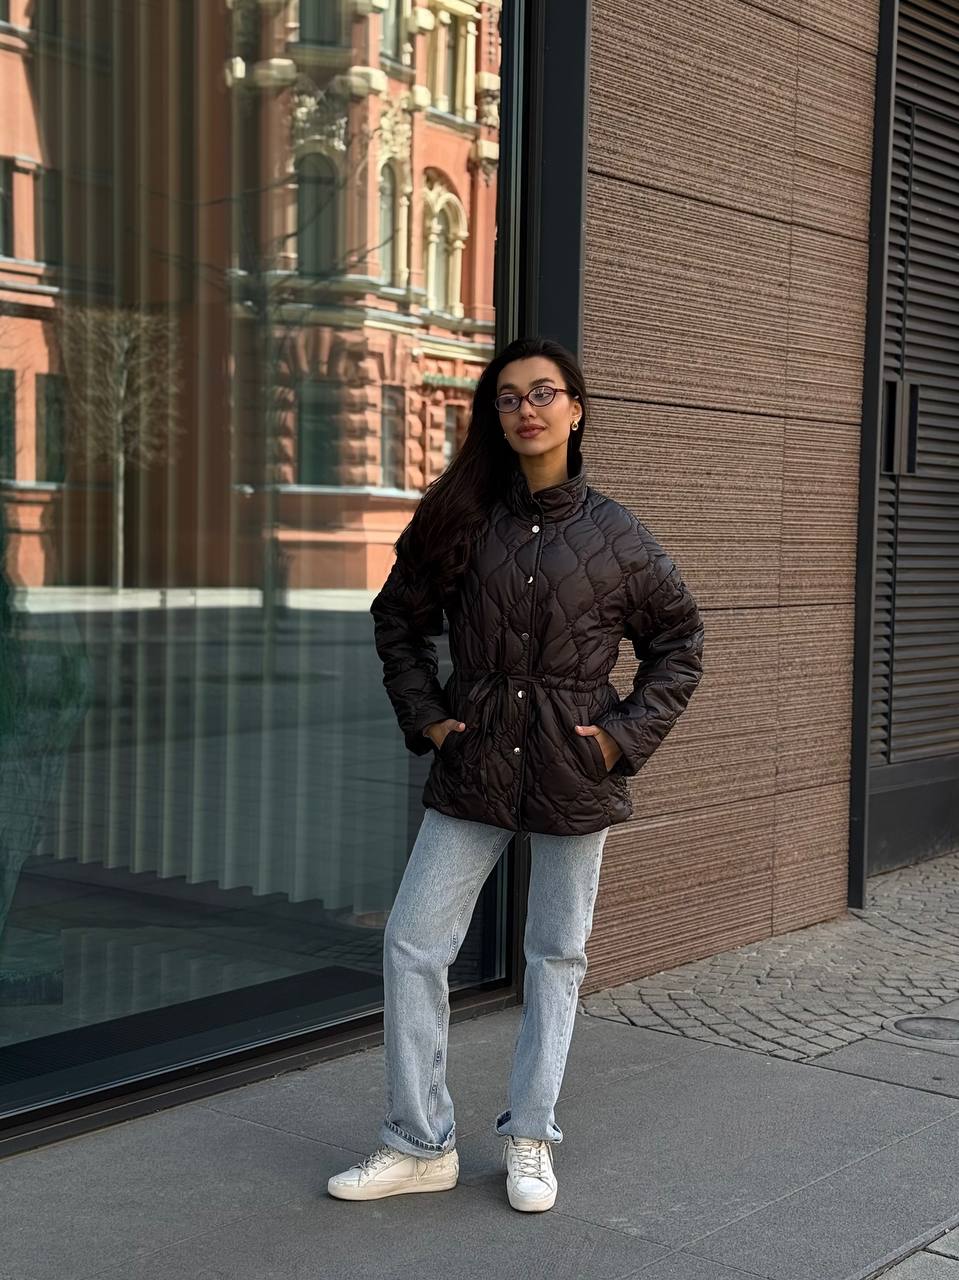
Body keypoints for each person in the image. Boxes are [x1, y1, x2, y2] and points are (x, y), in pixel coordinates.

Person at [327, 336, 705, 1212]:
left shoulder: (618, 537)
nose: (525, 409)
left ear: (576, 409)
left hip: (573, 767)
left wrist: (617, 740)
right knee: (412, 942)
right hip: (477, 762)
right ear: (493, 418)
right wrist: (429, 717)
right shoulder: (461, 518)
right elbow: (397, 621)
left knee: (555, 954)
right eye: (507, 398)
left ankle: (530, 1134)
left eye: (542, 393)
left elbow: (680, 644)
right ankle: (419, 1142)